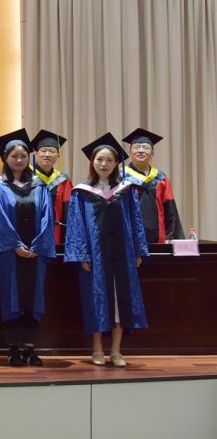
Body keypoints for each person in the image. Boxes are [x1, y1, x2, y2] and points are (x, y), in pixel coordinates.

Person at [65, 133, 149, 368]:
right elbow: (76, 225)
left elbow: (136, 221)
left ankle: (116, 350)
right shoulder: (82, 192)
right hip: (95, 256)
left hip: (122, 254)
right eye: (99, 159)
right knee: (97, 300)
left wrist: (138, 251)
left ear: (116, 163)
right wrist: (81, 254)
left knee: (120, 301)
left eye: (109, 160)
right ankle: (97, 349)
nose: (104, 164)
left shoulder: (126, 190)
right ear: (92, 162)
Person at [0, 129, 56, 367]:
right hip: (9, 254)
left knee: (33, 299)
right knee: (11, 298)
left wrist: (37, 245)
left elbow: (47, 217)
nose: (19, 160)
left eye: (23, 156)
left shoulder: (39, 185)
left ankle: (31, 348)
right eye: (14, 156)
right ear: (5, 158)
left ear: (29, 158)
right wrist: (15, 245)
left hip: (36, 253)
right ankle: (13, 348)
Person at [121, 128, 184, 243]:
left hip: (158, 238)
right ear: (130, 152)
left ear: (152, 154)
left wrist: (171, 238)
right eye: (136, 147)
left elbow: (170, 211)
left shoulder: (161, 179)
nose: (141, 151)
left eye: (145, 147)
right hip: (130, 239)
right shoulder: (121, 178)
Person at [31, 129, 72, 245]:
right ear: (36, 153)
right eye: (43, 150)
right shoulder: (25, 178)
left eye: (52, 151)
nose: (47, 154)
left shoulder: (63, 181)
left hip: (55, 237)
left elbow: (68, 213)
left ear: (58, 155)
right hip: (29, 235)